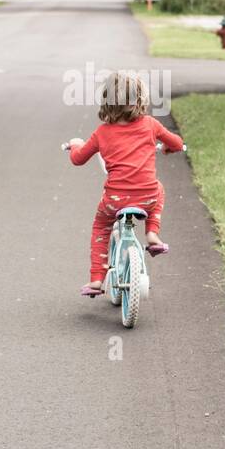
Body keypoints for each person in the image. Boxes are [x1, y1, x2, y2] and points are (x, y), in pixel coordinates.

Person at [64, 71, 183, 297]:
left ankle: (97, 279)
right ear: (140, 100)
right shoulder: (151, 125)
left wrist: (75, 144)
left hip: (115, 200)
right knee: (159, 188)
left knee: (101, 226)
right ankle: (152, 233)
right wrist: (169, 148)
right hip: (147, 197)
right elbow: (177, 143)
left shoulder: (102, 133)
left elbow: (78, 159)